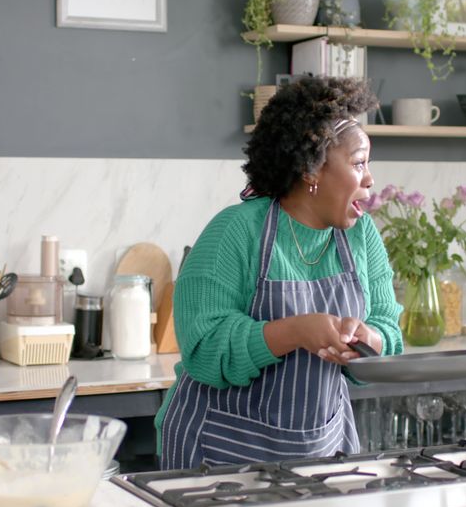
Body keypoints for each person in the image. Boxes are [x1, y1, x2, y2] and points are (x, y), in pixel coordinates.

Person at [155, 77, 404, 469]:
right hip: (218, 449)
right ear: (311, 170)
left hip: (321, 448)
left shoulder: (363, 236)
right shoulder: (235, 231)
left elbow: (389, 332)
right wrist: (294, 332)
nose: (370, 178)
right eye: (358, 163)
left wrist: (367, 340)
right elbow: (203, 350)